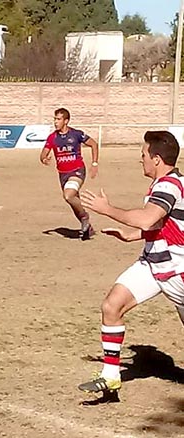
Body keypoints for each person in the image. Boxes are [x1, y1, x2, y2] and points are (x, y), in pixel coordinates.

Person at [77, 130, 184, 395]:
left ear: (157, 159)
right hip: (152, 265)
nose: (141, 160)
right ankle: (111, 375)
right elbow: (159, 224)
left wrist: (107, 210)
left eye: (143, 155)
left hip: (178, 272)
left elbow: (148, 219)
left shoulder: (169, 185)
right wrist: (132, 235)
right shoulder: (165, 183)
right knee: (112, 305)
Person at [40, 108, 99, 240]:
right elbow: (43, 153)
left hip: (77, 170)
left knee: (68, 195)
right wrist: (44, 159)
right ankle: (87, 227)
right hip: (63, 174)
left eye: (58, 119)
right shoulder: (52, 137)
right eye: (55, 119)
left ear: (66, 121)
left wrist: (94, 163)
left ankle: (85, 217)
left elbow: (94, 144)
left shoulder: (76, 134)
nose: (55, 122)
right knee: (73, 201)